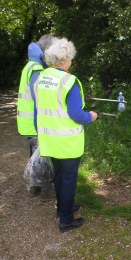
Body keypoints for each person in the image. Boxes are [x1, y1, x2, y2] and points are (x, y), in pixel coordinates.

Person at [34, 37, 98, 232]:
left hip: (49, 140)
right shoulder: (69, 81)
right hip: (68, 142)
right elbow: (76, 114)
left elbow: (40, 110)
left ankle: (64, 208)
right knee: (68, 180)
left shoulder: (41, 78)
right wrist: (91, 116)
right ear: (64, 60)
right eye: (70, 58)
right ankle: (66, 220)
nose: (71, 61)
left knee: (59, 177)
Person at [17, 35, 57, 201]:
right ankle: (45, 190)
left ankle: (35, 187)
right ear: (45, 51)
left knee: (35, 155)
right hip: (35, 122)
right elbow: (38, 99)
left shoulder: (30, 65)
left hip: (28, 121)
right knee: (42, 157)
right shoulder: (36, 69)